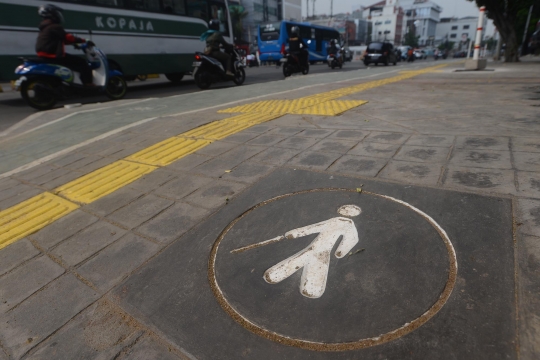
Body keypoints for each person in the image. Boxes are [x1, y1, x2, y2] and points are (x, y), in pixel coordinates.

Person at [35, 4, 93, 86]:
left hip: (45, 55)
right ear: (52, 14)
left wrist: (75, 44)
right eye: (56, 13)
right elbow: (68, 37)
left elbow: (62, 40)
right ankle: (88, 84)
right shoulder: (54, 26)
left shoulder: (44, 27)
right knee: (82, 63)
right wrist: (84, 40)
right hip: (53, 55)